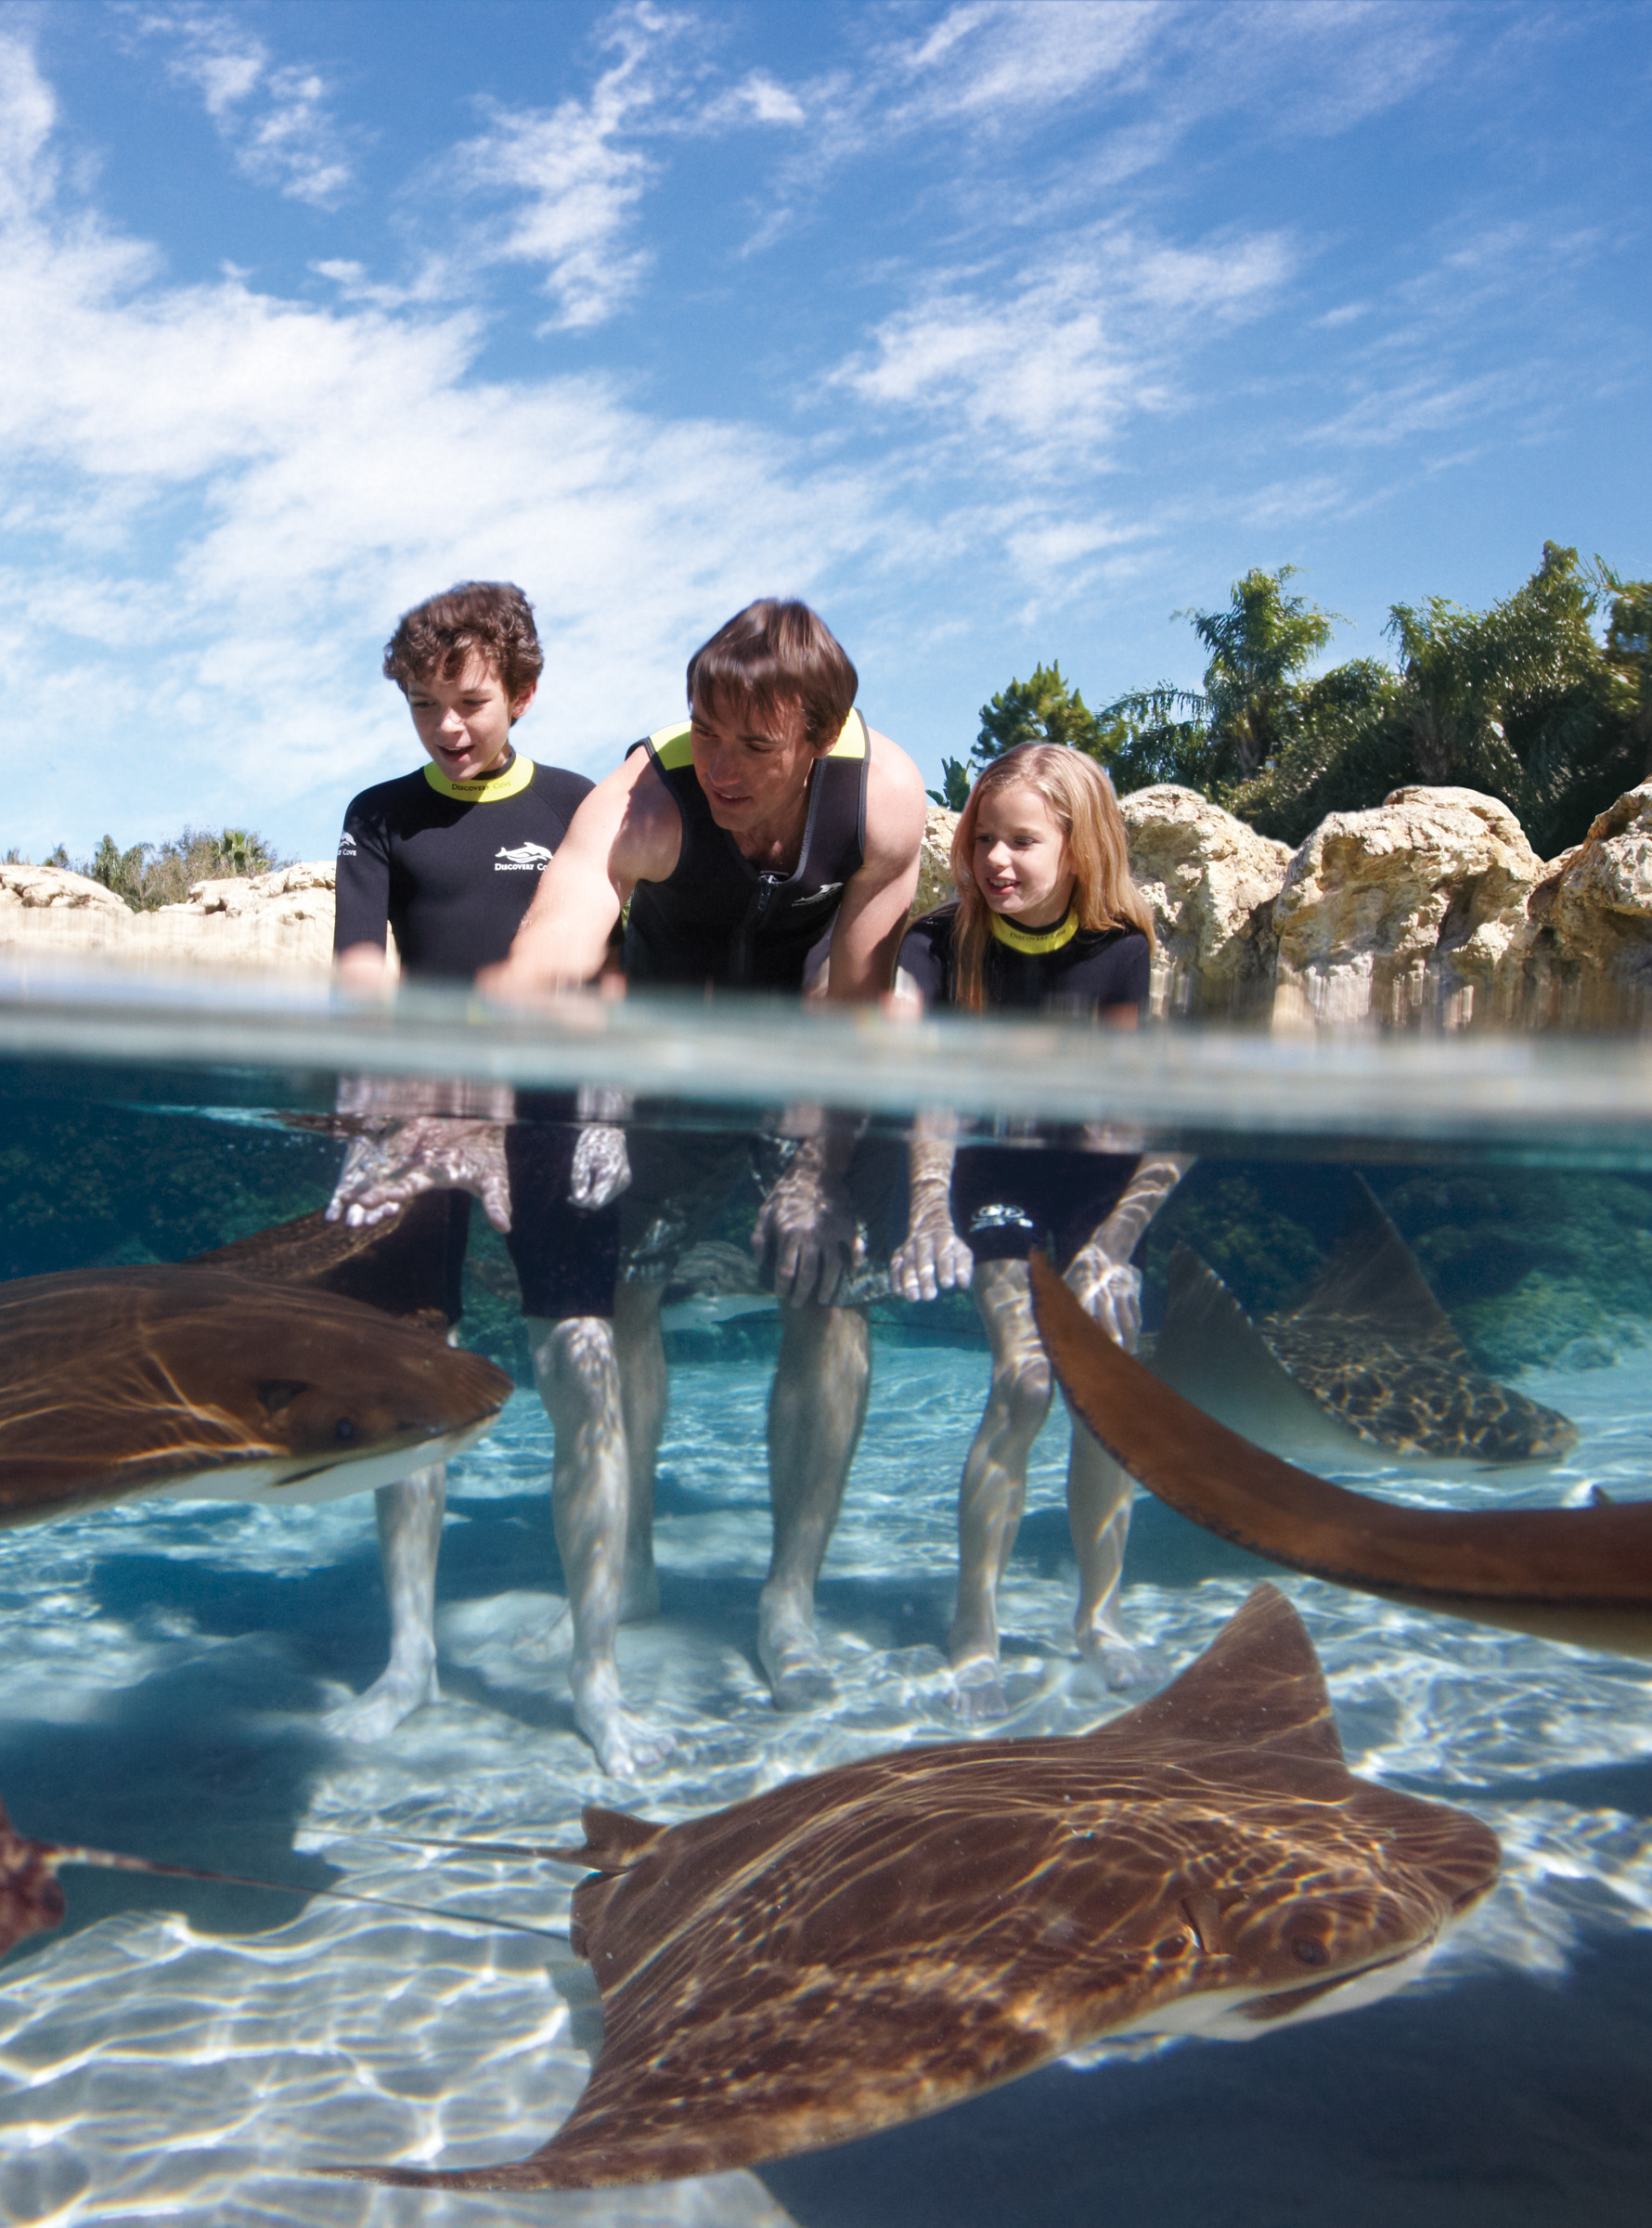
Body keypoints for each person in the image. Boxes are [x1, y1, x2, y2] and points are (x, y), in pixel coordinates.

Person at [479, 597, 931, 1712]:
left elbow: (856, 1004)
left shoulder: (884, 804)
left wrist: (818, 1175)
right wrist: (507, 1008)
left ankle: (790, 1597)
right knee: (618, 1287)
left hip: (813, 1039)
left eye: (755, 746)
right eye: (705, 732)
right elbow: (567, 915)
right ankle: (627, 1565)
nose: (720, 768)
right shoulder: (648, 797)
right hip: (664, 1055)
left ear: (818, 742)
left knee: (827, 1295)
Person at [318, 581, 651, 1778]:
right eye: (423, 708)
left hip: (557, 1122)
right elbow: (363, 973)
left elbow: (610, 981)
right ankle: (409, 1659)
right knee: (407, 1388)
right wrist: (376, 1113)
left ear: (520, 690)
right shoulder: (379, 817)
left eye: (466, 703)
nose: (447, 730)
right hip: (430, 1123)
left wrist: (608, 1113)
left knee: (585, 1369)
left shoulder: (578, 808)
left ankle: (596, 1677)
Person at [886, 742, 1192, 1713]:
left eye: (1022, 840)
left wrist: (1112, 1249)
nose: (996, 862)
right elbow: (922, 1087)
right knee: (1022, 1383)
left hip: (1096, 1187)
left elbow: (1153, 1123)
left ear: (1078, 843)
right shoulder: (936, 945)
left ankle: (1097, 1615)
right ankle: (975, 1619)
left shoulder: (1122, 951)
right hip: (998, 1179)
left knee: (1108, 1390)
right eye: (982, 839)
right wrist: (928, 1207)